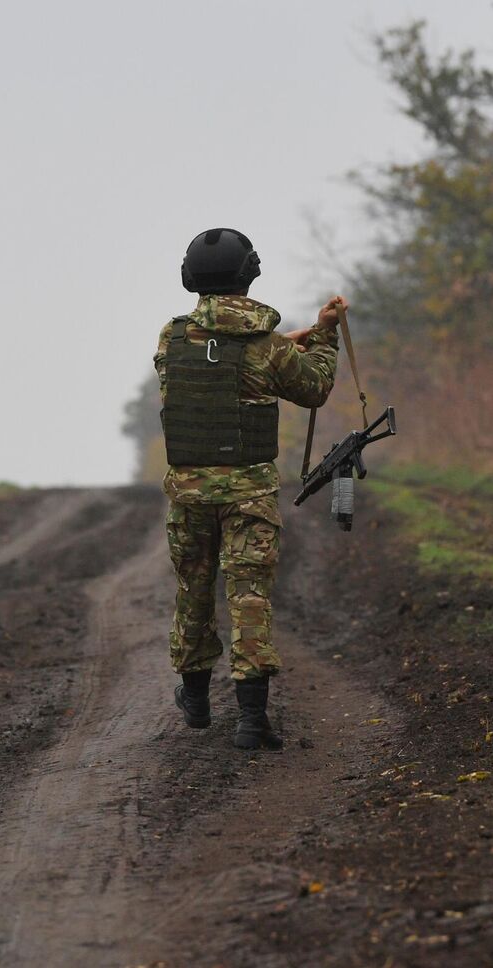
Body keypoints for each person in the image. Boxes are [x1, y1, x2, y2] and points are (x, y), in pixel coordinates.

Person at [154, 227, 342, 750]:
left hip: (189, 495)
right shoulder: (267, 345)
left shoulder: (170, 338)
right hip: (249, 497)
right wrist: (323, 335)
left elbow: (225, 361)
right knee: (249, 595)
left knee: (194, 589)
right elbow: (314, 388)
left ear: (191, 277)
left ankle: (194, 698)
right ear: (249, 274)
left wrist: (287, 343)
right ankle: (252, 721)